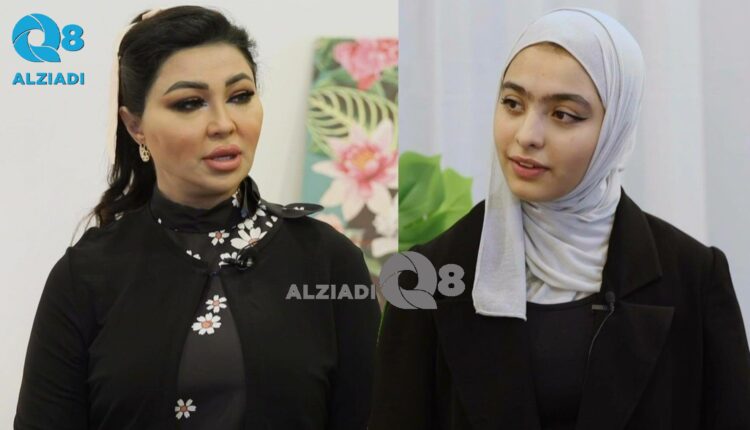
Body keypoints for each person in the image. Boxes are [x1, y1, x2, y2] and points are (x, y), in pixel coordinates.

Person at [370, 8, 750, 430]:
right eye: (512, 104)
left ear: (616, 128)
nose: (526, 135)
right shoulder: (427, 276)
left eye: (563, 114)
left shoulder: (694, 276)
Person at [14, 6, 380, 429]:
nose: (223, 124)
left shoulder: (329, 261)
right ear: (135, 126)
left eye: (240, 96)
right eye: (190, 103)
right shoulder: (86, 276)